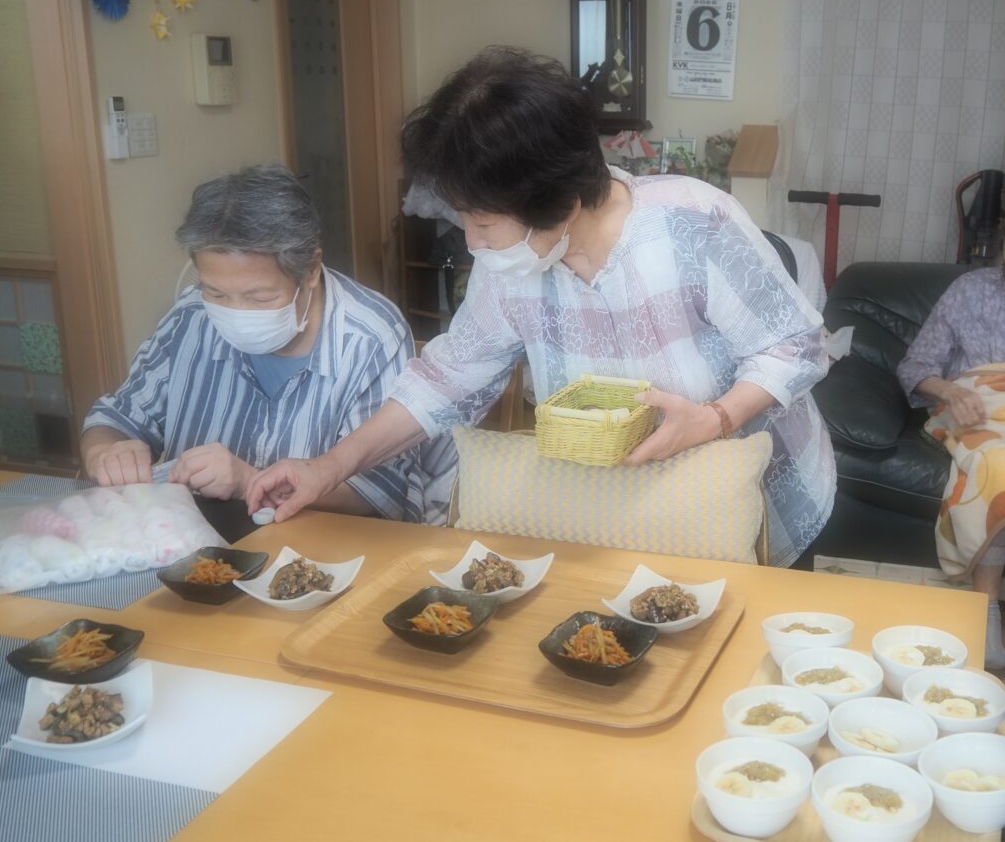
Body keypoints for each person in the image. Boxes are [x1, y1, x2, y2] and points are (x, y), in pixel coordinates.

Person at [247, 48, 836, 568]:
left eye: (483, 222)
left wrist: (715, 418)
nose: (472, 242)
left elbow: (796, 345)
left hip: (748, 506)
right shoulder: (512, 264)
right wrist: (328, 468)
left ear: (563, 203)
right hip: (621, 515)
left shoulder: (692, 221)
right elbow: (449, 378)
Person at [82, 164, 424, 522]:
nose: (235, 312)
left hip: (316, 545)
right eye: (216, 293)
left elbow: (379, 493)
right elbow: (115, 418)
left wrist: (249, 483)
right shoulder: (191, 316)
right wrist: (106, 452)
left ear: (310, 270)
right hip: (191, 535)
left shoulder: (370, 338)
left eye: (259, 297)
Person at [898, 246, 1005, 669]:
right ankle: (986, 606)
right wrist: (952, 391)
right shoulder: (969, 290)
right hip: (974, 408)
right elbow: (914, 366)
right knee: (996, 464)